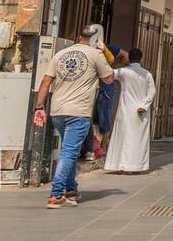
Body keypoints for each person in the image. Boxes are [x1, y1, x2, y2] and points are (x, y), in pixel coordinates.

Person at [32, 25, 115, 208]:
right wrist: (104, 53)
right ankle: (56, 193)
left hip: (58, 111)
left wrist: (39, 107)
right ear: (96, 40)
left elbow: (46, 81)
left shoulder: (60, 54)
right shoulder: (96, 55)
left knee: (69, 150)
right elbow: (109, 78)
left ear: (79, 37)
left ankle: (71, 188)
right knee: (70, 152)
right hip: (79, 112)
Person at [104, 48, 156, 174]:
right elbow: (152, 91)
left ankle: (120, 165)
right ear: (141, 59)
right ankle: (136, 166)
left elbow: (109, 73)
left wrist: (106, 54)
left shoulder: (124, 72)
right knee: (138, 139)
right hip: (140, 111)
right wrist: (144, 106)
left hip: (125, 109)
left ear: (129, 59)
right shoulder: (147, 74)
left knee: (122, 137)